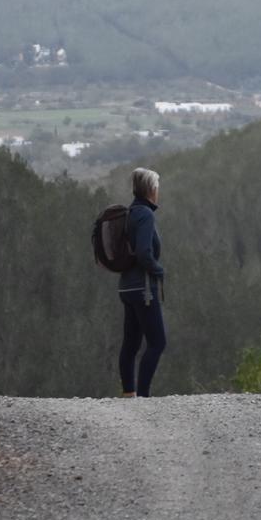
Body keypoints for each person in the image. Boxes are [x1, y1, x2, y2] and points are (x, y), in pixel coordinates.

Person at [119, 167, 166, 397]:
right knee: (157, 342)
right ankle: (144, 398)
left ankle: (129, 394)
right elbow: (144, 253)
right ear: (151, 190)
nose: (158, 192)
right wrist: (159, 270)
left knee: (131, 344)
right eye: (157, 187)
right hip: (144, 289)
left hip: (126, 287)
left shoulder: (130, 213)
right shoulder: (146, 215)